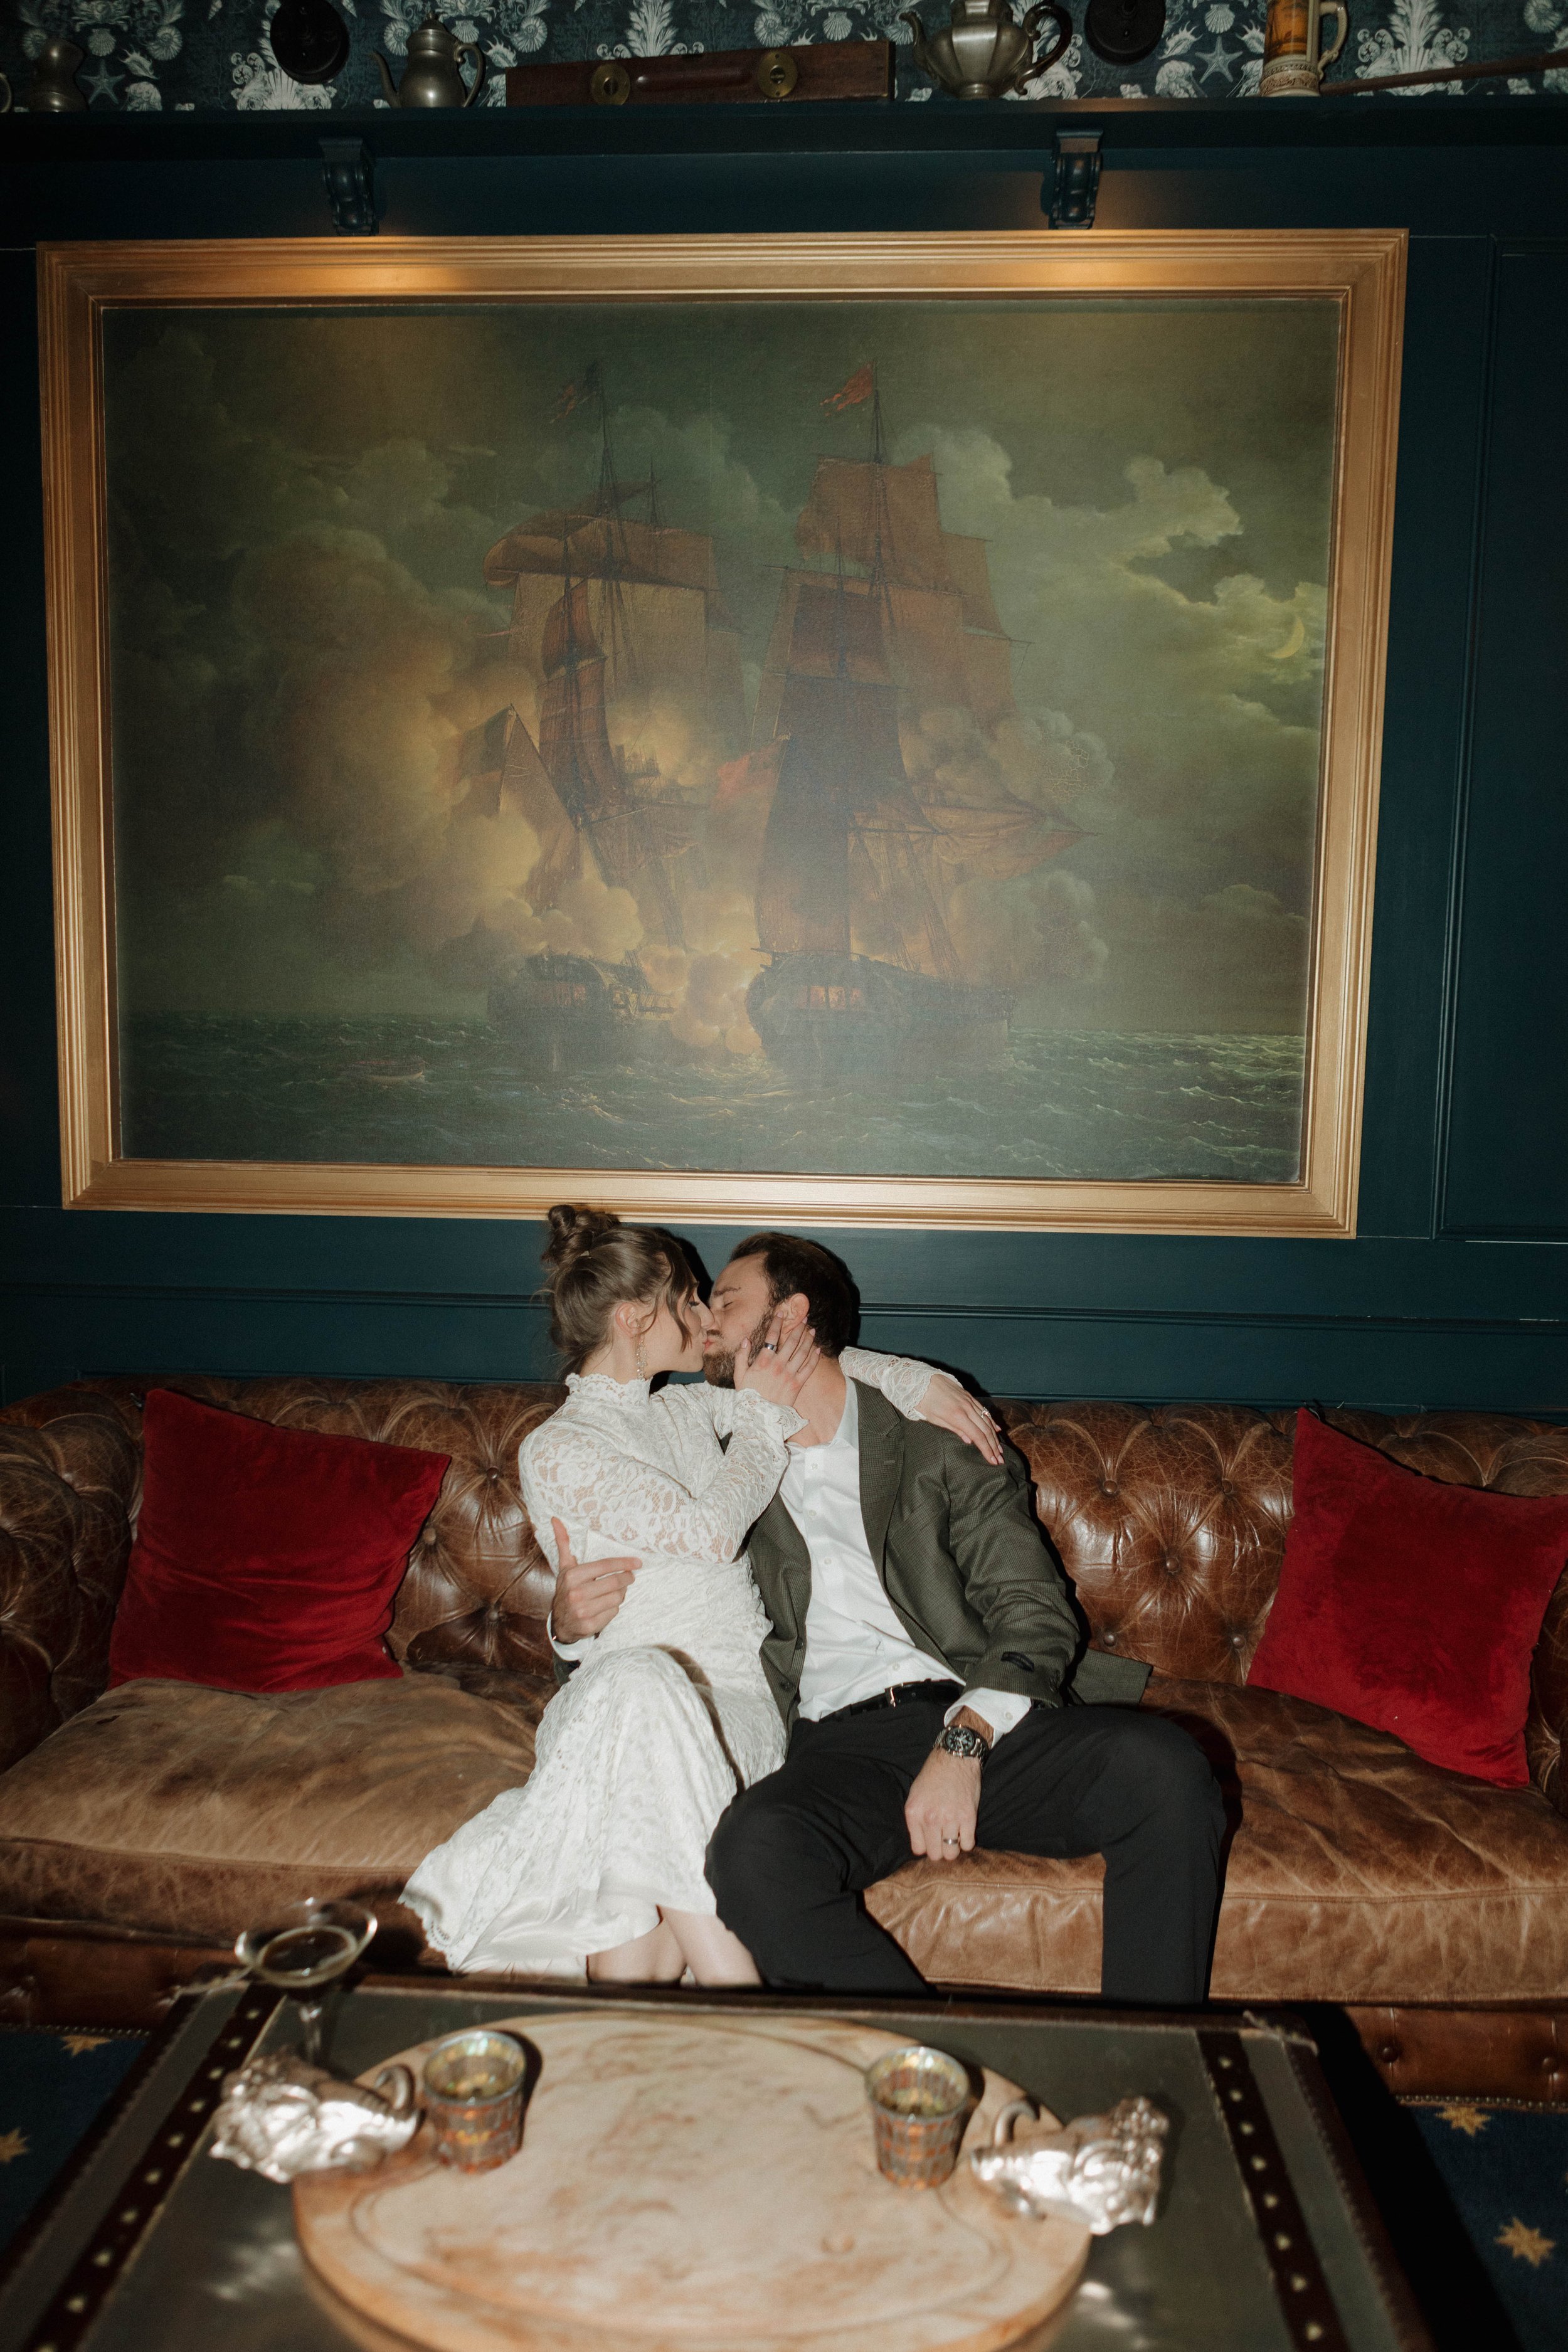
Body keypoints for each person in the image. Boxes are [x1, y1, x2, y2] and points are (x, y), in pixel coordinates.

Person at [401, 1205, 996, 1987]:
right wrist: (565, 1627)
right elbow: (713, 1532)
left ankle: (630, 2051)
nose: (704, 1317)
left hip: (743, 1711)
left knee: (639, 1917)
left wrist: (916, 1377)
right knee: (640, 1683)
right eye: (688, 1300)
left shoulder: (683, 1410)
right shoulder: (557, 1447)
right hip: (628, 1707)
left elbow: (811, 1372)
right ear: (633, 1318)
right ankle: (738, 1999)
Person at [696, 1232, 1226, 2006]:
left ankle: (1151, 2074)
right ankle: (946, 2074)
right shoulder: (715, 1461)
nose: (708, 1321)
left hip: (978, 1714)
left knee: (1164, 1769)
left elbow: (1033, 1613)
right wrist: (572, 1626)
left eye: (726, 1301)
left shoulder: (935, 1439)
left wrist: (962, 1741)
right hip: (835, 1745)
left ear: (792, 1315)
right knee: (752, 1851)